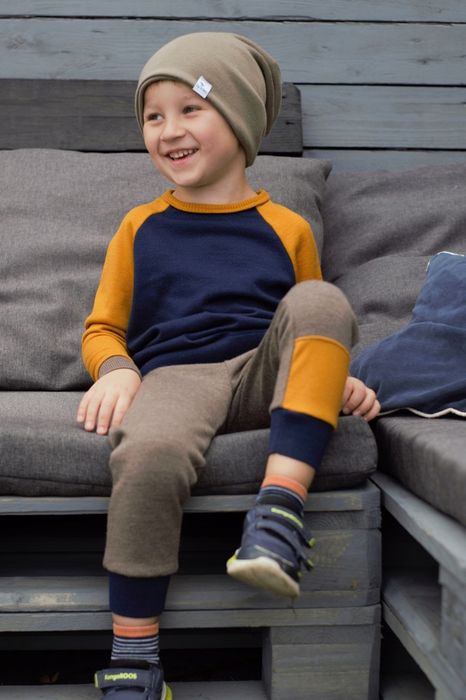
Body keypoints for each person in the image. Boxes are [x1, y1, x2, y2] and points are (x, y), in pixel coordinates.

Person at [77, 32, 380, 700]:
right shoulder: (139, 227)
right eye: (153, 116)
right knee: (148, 453)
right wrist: (117, 369)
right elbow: (102, 328)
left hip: (262, 373)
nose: (168, 130)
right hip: (177, 378)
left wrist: (334, 374)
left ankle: (277, 515)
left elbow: (310, 323)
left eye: (190, 108)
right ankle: (134, 658)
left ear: (239, 120)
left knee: (323, 298)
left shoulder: (289, 227)